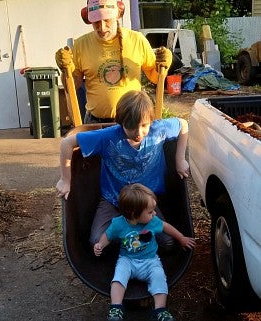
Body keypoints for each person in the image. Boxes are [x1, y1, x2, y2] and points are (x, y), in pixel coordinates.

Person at [56, 90, 189, 248]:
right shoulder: (108, 137)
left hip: (144, 203)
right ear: (121, 122)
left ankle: (132, 234)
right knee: (95, 242)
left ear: (151, 121)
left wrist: (180, 159)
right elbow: (66, 143)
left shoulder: (158, 130)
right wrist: (66, 180)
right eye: (131, 127)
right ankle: (129, 234)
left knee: (168, 243)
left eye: (144, 126)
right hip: (113, 199)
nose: (138, 133)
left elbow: (183, 125)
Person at [55, 0, 172, 123]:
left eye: (107, 20)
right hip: (95, 122)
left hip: (131, 121)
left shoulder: (137, 40)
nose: (102, 27)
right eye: (96, 22)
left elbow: (155, 78)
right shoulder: (81, 45)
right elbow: (71, 88)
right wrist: (65, 69)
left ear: (118, 14)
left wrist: (163, 66)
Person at [94, 183, 196, 321]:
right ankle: (116, 308)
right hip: (127, 260)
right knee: (118, 278)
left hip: (150, 260)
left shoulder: (152, 221)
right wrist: (100, 244)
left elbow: (166, 227)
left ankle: (160, 310)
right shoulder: (118, 224)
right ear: (133, 214)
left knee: (159, 277)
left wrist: (181, 238)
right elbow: (108, 235)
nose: (154, 213)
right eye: (150, 211)